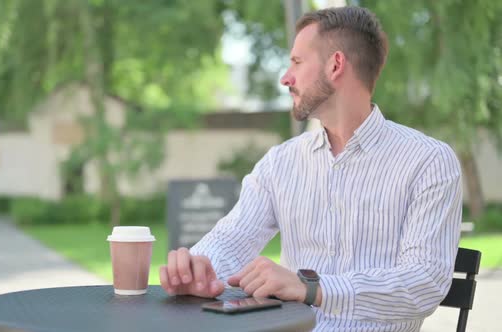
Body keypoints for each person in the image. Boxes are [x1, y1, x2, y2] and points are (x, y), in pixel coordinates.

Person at [160, 6, 461, 331]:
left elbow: (423, 283)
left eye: (297, 62)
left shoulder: (428, 161)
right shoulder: (280, 163)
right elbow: (233, 237)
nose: (285, 77)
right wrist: (198, 267)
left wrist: (312, 288)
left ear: (335, 65)